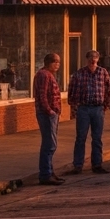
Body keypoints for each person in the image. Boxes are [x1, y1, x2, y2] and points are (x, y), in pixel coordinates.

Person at [66, 50, 110, 175]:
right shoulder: (79, 74)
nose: (93, 60)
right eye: (91, 58)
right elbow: (72, 90)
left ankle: (97, 165)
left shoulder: (102, 72)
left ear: (98, 59)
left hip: (98, 108)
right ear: (87, 59)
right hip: (84, 108)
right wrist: (74, 107)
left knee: (97, 138)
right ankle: (77, 166)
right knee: (81, 138)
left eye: (95, 58)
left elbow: (108, 90)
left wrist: (105, 105)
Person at [33, 53, 63, 185]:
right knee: (49, 144)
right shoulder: (44, 75)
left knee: (52, 144)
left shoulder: (49, 75)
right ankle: (45, 174)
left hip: (52, 114)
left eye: (58, 62)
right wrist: (49, 110)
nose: (57, 64)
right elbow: (42, 95)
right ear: (48, 62)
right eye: (55, 62)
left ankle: (50, 172)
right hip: (47, 115)